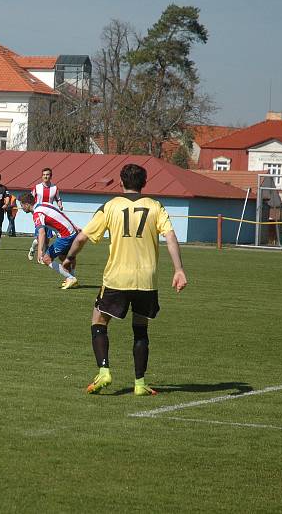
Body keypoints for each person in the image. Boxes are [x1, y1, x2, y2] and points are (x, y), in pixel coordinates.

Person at [62, 164, 187, 396]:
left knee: (98, 320)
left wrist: (69, 258)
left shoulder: (110, 206)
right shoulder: (155, 206)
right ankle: (139, 383)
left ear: (120, 182)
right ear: (144, 183)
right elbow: (170, 236)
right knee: (140, 329)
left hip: (117, 278)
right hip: (146, 280)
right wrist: (178, 269)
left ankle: (104, 370)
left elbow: (81, 238)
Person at [19, 192, 80, 289]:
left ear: (27, 204)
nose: (21, 208)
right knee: (63, 257)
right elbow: (61, 214)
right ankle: (72, 278)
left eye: (22, 205)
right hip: (72, 232)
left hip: (65, 236)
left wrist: (39, 252)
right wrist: (74, 226)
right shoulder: (44, 204)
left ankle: (71, 278)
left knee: (46, 259)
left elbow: (42, 233)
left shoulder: (37, 214)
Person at [28, 167, 63, 260]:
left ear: (51, 176)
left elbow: (58, 198)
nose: (45, 176)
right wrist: (31, 209)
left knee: (46, 240)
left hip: (49, 216)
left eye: (47, 175)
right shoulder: (37, 187)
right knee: (40, 237)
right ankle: (37, 253)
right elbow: (30, 198)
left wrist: (60, 205)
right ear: (41, 176)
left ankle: (38, 252)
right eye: (44, 175)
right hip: (39, 215)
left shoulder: (55, 188)